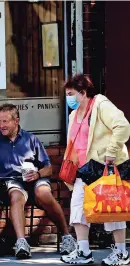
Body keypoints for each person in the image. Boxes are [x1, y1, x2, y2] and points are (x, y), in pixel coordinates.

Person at [0, 103, 76, 259]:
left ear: (16, 121)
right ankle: (21, 243)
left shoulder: (31, 139)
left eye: (5, 121)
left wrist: (37, 174)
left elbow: (48, 168)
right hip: (11, 183)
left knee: (43, 193)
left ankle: (67, 237)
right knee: (16, 195)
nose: (1, 125)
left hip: (35, 179)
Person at [60, 74, 130, 266]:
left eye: (71, 94)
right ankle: (83, 251)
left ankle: (122, 252)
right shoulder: (74, 115)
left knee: (112, 209)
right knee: (77, 208)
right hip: (85, 169)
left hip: (105, 166)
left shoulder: (101, 105)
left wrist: (111, 151)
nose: (69, 98)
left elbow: (123, 126)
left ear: (83, 93)